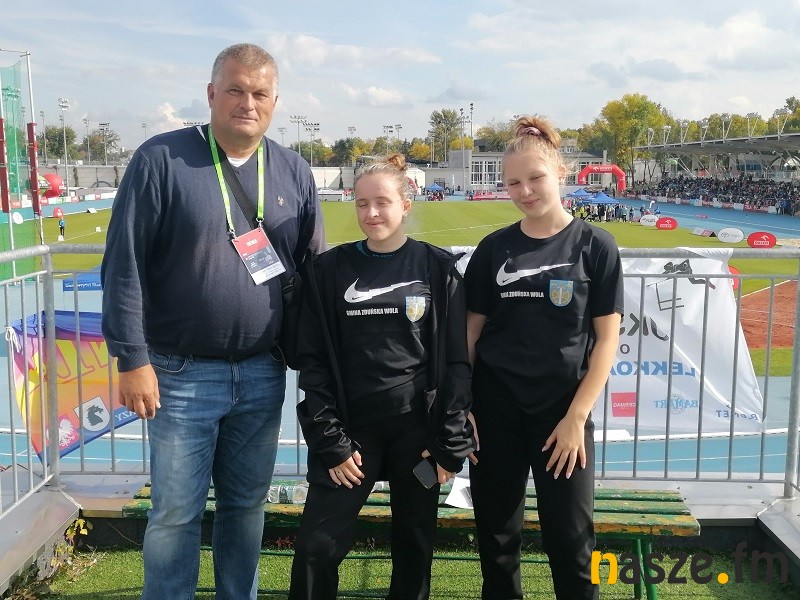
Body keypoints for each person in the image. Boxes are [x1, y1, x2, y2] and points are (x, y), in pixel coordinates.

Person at [100, 43, 325, 600]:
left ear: (274, 101)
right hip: (179, 374)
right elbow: (123, 264)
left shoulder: (293, 169)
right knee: (176, 513)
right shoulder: (161, 159)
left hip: (263, 372)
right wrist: (132, 359)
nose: (247, 103)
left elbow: (314, 273)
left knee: (245, 508)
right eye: (235, 90)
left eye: (260, 93)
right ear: (210, 94)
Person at [289, 153, 474, 600]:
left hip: (417, 434)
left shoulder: (437, 269)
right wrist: (331, 442)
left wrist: (450, 443)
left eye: (382, 202)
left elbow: (456, 362)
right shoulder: (328, 271)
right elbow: (314, 362)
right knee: (317, 546)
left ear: (405, 205)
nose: (371, 213)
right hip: (350, 436)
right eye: (361, 203)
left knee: (414, 545)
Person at [464, 115, 623, 600]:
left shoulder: (596, 246)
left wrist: (577, 417)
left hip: (562, 415)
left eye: (535, 178)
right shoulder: (493, 249)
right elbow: (469, 336)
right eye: (513, 182)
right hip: (495, 413)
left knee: (572, 541)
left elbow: (606, 342)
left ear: (561, 174)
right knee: (497, 540)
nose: (525, 191)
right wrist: (462, 405)